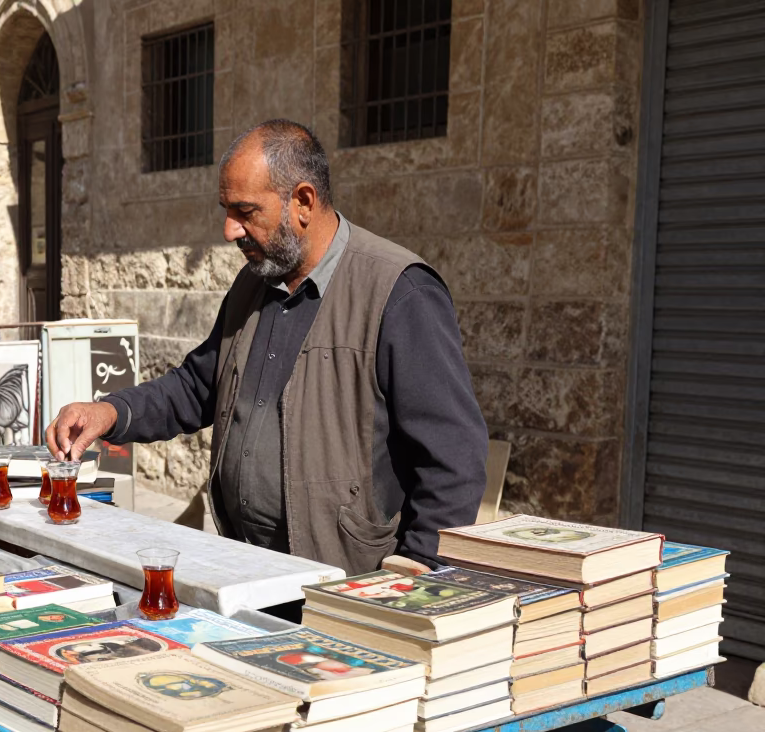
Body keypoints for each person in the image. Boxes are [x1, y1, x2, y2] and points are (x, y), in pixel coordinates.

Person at [46, 120, 487, 574]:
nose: (229, 230)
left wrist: (416, 575)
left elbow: (453, 460)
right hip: (248, 569)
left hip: (349, 587)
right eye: (226, 210)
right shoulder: (253, 285)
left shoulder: (399, 292)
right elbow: (197, 387)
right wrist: (112, 413)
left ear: (303, 202)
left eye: (245, 211)